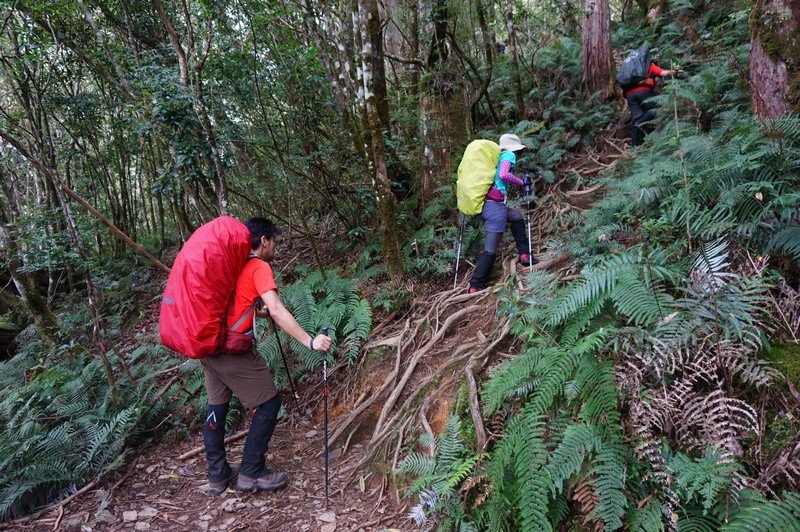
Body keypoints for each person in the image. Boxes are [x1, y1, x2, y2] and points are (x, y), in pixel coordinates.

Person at [202, 217, 332, 495]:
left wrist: (256, 312)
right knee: (270, 405)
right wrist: (310, 341)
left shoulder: (233, 265)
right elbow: (276, 309)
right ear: (264, 241)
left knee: (217, 409)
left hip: (209, 346)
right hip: (232, 351)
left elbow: (236, 305)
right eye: (274, 240)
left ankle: (217, 475)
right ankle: (251, 472)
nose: (276, 245)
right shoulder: (258, 266)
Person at [468, 134, 535, 294]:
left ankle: (525, 254)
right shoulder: (508, 155)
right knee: (490, 249)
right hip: (494, 209)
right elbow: (504, 174)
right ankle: (475, 285)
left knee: (516, 216)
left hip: (485, 206)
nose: (518, 154)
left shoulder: (494, 158)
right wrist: (521, 182)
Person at [623, 60, 678, 147]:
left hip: (629, 94)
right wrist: (673, 71)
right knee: (653, 110)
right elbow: (663, 73)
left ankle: (635, 146)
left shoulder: (634, 70)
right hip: (643, 91)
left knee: (637, 118)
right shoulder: (650, 66)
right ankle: (639, 125)